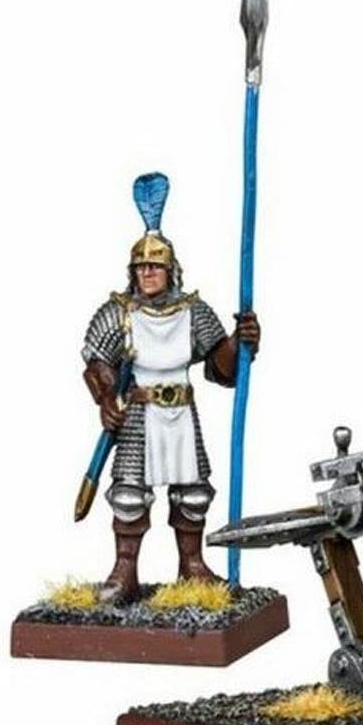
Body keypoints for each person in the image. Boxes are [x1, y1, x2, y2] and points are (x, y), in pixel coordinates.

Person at [81, 172, 260, 602]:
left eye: (155, 266)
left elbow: (220, 366)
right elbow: (96, 361)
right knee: (129, 494)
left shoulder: (193, 312)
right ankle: (125, 572)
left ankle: (192, 566)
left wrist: (240, 342)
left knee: (193, 494)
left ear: (170, 270)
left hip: (181, 415)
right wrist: (107, 397)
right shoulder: (118, 313)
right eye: (141, 266)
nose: (147, 272)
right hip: (138, 413)